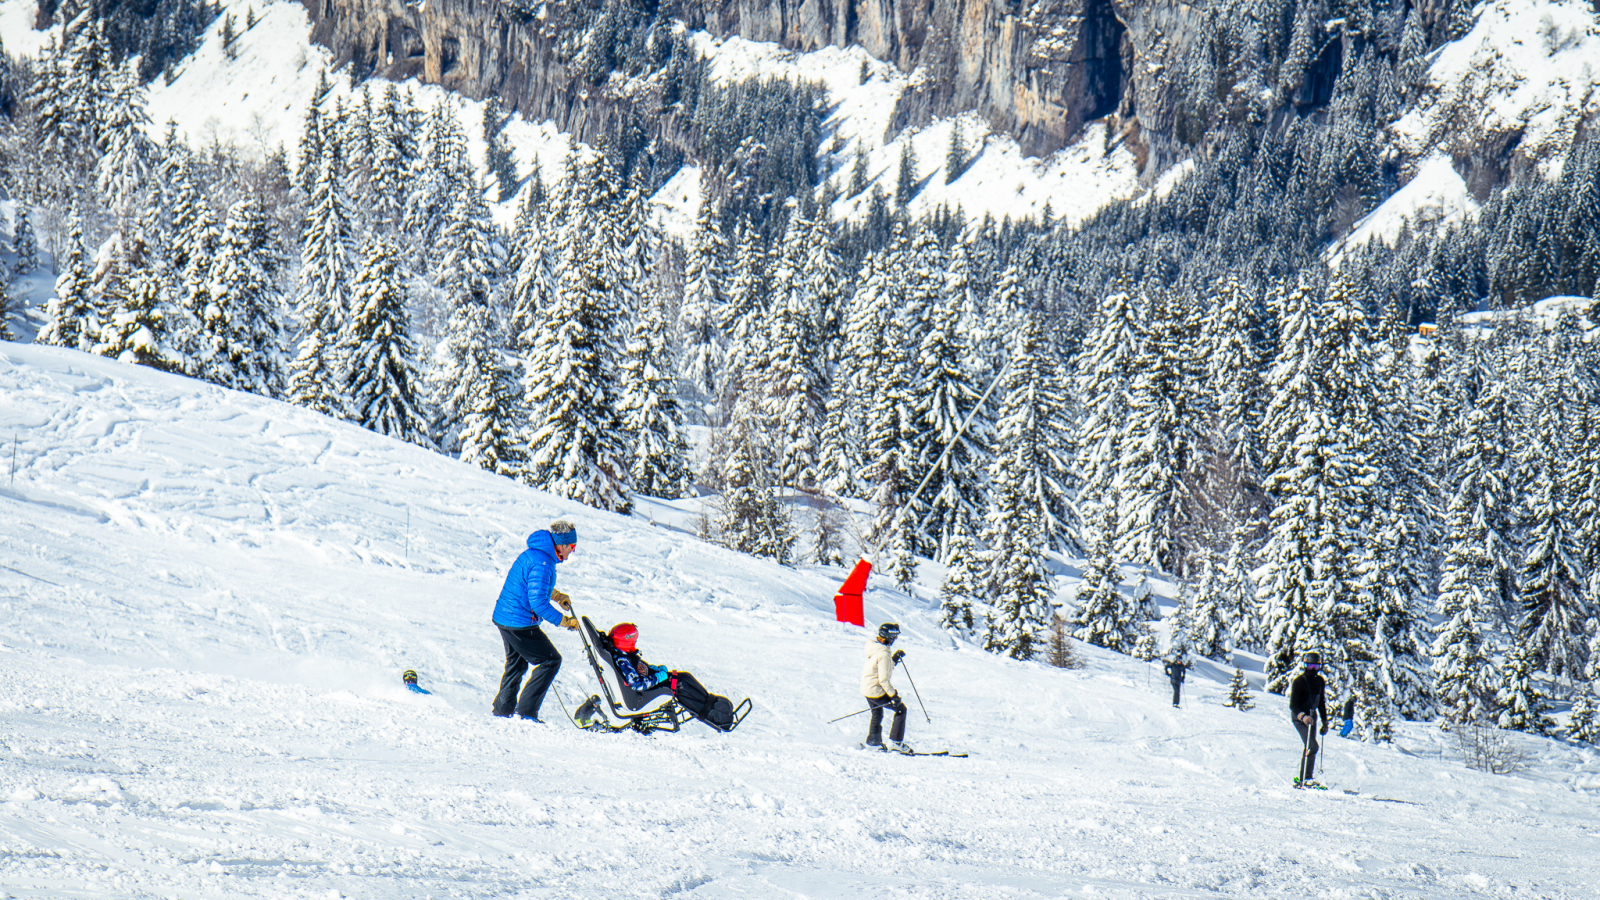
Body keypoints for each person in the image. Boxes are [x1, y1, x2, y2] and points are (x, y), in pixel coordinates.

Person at [490, 520, 579, 721]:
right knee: (551, 660)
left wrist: (556, 596)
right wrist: (564, 621)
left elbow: (533, 587)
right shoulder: (543, 562)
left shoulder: (538, 555)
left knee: (517, 663)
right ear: (561, 545)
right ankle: (526, 713)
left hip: (505, 617)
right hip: (518, 622)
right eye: (571, 548)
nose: (571, 552)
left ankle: (503, 711)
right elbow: (537, 603)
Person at [578, 623, 737, 731]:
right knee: (681, 683)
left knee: (683, 677)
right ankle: (711, 712)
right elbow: (638, 684)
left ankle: (711, 704)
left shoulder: (623, 655)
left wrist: (653, 669)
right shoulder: (622, 660)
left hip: (649, 688)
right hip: (640, 698)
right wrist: (660, 676)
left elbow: (639, 668)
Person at [862, 622, 911, 753]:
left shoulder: (875, 647)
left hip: (867, 688)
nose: (895, 639)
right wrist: (893, 696)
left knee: (877, 712)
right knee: (901, 709)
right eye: (894, 637)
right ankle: (895, 742)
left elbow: (881, 668)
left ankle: (874, 742)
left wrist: (893, 659)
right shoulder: (883, 653)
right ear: (888, 637)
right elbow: (883, 679)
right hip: (876, 690)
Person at [1288, 651, 1330, 788]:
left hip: (1312, 718)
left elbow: (1321, 703)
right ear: (1305, 665)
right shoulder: (1299, 681)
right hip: (1300, 718)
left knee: (1310, 746)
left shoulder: (1320, 681)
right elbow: (1293, 705)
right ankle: (1304, 779)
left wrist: (1325, 721)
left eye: (1316, 667)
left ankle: (1306, 777)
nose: (1313, 669)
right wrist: (1302, 716)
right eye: (1310, 666)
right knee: (1312, 745)